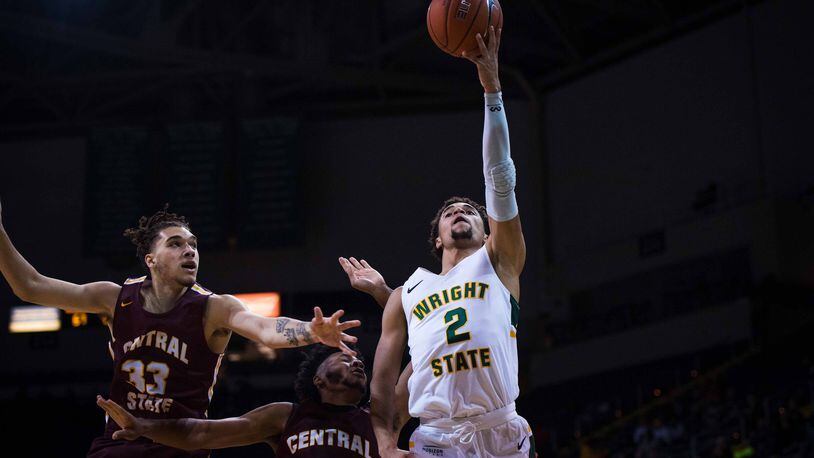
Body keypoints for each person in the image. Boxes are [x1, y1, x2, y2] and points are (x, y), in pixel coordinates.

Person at [0, 204, 359, 457]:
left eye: (193, 245)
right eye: (176, 244)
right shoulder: (113, 298)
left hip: (182, 446)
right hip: (120, 442)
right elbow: (30, 286)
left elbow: (264, 329)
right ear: (150, 259)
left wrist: (311, 332)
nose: (190, 251)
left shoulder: (214, 307)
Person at [370, 27, 535, 457]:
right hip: (437, 436)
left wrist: (492, 89)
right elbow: (383, 383)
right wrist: (386, 444)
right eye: (450, 212)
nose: (461, 211)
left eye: (471, 211)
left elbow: (500, 178)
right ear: (438, 237)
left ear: (487, 231)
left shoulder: (500, 262)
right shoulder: (407, 293)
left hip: (501, 428)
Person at [96, 344, 411, 457]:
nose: (357, 363)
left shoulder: (378, 421)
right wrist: (143, 426)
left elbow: (423, 364)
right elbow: (202, 433)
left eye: (359, 362)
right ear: (318, 378)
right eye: (344, 358)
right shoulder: (286, 417)